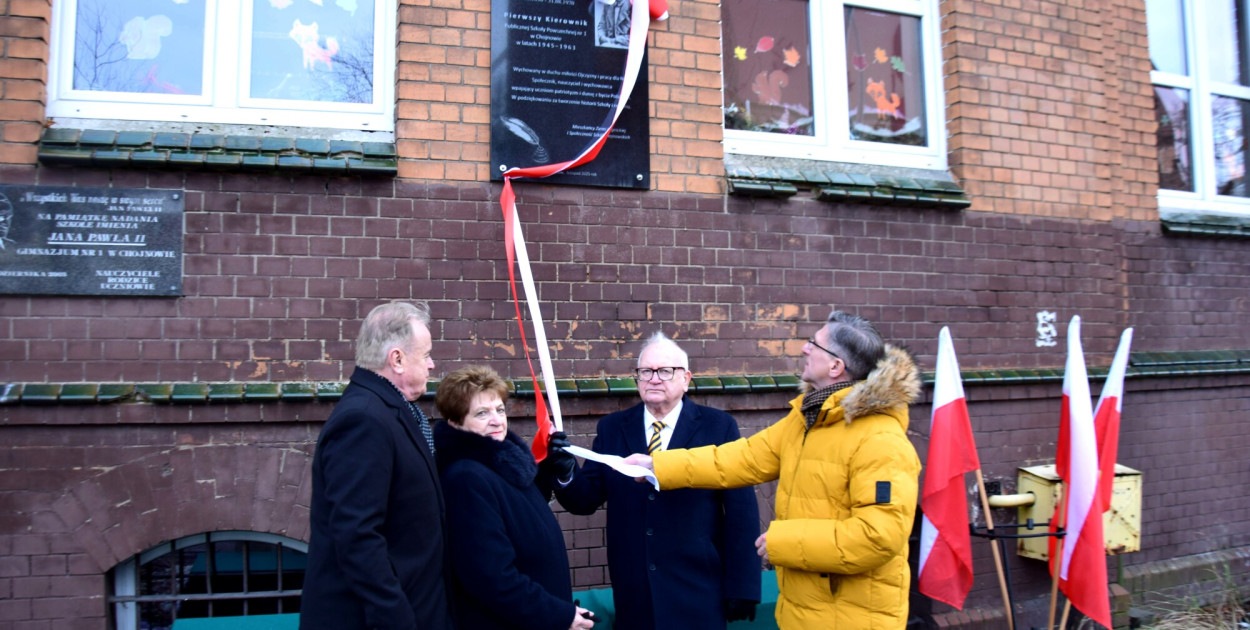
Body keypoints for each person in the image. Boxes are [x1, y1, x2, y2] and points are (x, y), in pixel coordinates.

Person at [624, 311, 922, 629]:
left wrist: (784, 542)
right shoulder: (807, 419)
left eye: (813, 344)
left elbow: (876, 538)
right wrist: (658, 465)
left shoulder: (881, 441)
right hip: (803, 610)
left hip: (853, 616)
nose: (804, 349)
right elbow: (742, 458)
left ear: (836, 367)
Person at [551, 332, 761, 630]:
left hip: (698, 590)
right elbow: (584, 500)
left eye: (665, 371)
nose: (654, 378)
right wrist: (564, 469)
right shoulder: (613, 428)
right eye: (645, 371)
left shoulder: (718, 426)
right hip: (636, 595)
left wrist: (743, 587)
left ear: (686, 378)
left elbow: (741, 511)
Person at [300, 301, 454, 630]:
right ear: (396, 359)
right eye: (425, 355)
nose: (431, 364)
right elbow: (358, 537)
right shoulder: (363, 420)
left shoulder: (391, 409)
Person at [433, 366, 595, 630]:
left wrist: (547, 470)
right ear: (455, 422)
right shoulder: (466, 478)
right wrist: (558, 614)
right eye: (481, 413)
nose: (496, 420)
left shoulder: (503, 462)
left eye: (500, 409)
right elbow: (490, 578)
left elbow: (519, 518)